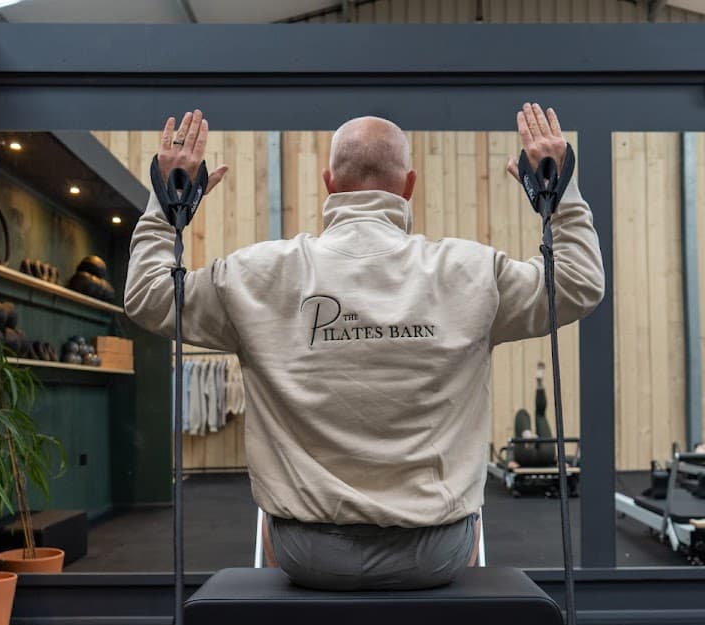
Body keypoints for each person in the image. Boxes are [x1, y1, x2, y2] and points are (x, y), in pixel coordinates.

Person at [126, 103, 604, 590]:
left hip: (306, 553)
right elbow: (579, 283)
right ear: (409, 186)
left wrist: (167, 208)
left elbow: (148, 296)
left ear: (329, 184)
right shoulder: (473, 270)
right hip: (435, 553)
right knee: (472, 513)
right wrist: (559, 198)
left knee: (268, 521)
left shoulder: (254, 273)